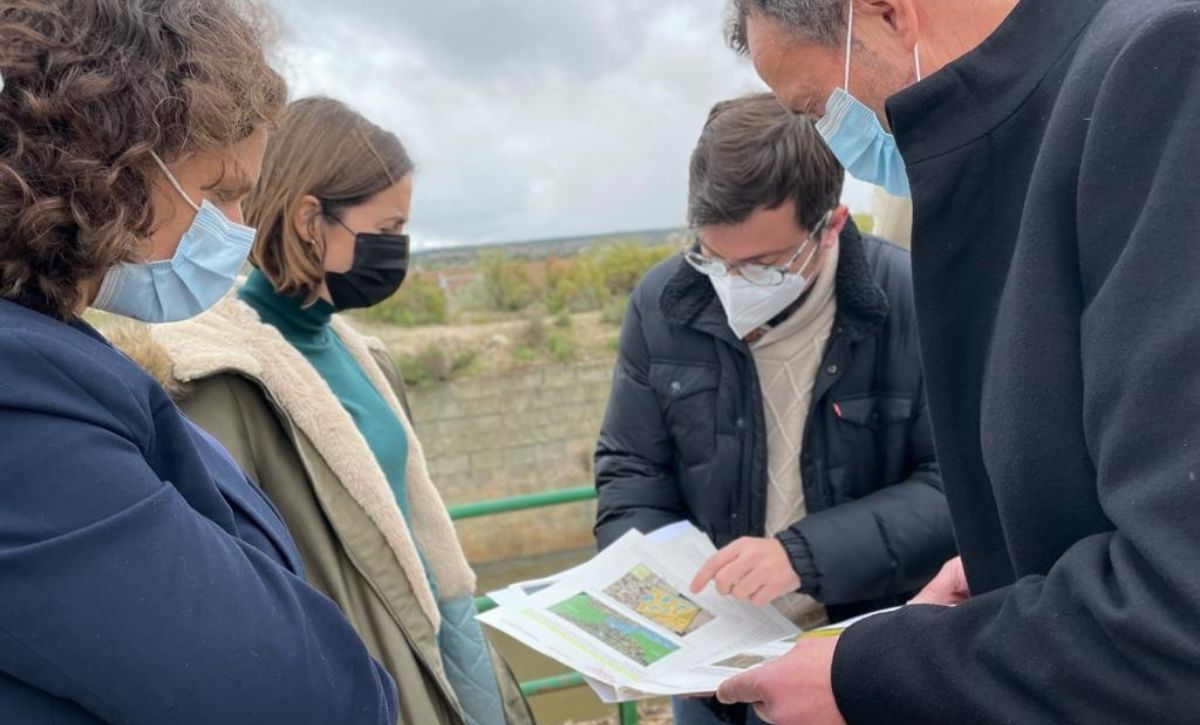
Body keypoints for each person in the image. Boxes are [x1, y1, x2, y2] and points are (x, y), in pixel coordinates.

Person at [716, 1, 1200, 723]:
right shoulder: (1034, 130)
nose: (835, 140)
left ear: (888, 14)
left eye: (818, 107)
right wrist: (1005, 565)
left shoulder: (1159, 72)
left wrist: (870, 673)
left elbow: (1177, 609)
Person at [0, 2, 399, 724]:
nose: (238, 231)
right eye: (222, 192)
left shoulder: (55, 350)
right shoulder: (22, 396)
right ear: (108, 162)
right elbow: (303, 696)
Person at [126, 96, 532, 725]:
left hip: (434, 657)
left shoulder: (363, 356)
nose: (399, 249)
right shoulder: (220, 380)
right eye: (388, 229)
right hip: (365, 688)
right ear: (310, 220)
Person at [593, 93, 954, 724]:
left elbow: (955, 490)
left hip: (858, 662)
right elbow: (631, 469)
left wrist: (802, 555)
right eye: (712, 257)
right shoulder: (663, 302)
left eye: (761, 265)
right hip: (711, 674)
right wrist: (649, 590)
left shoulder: (912, 301)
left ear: (831, 224)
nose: (731, 284)